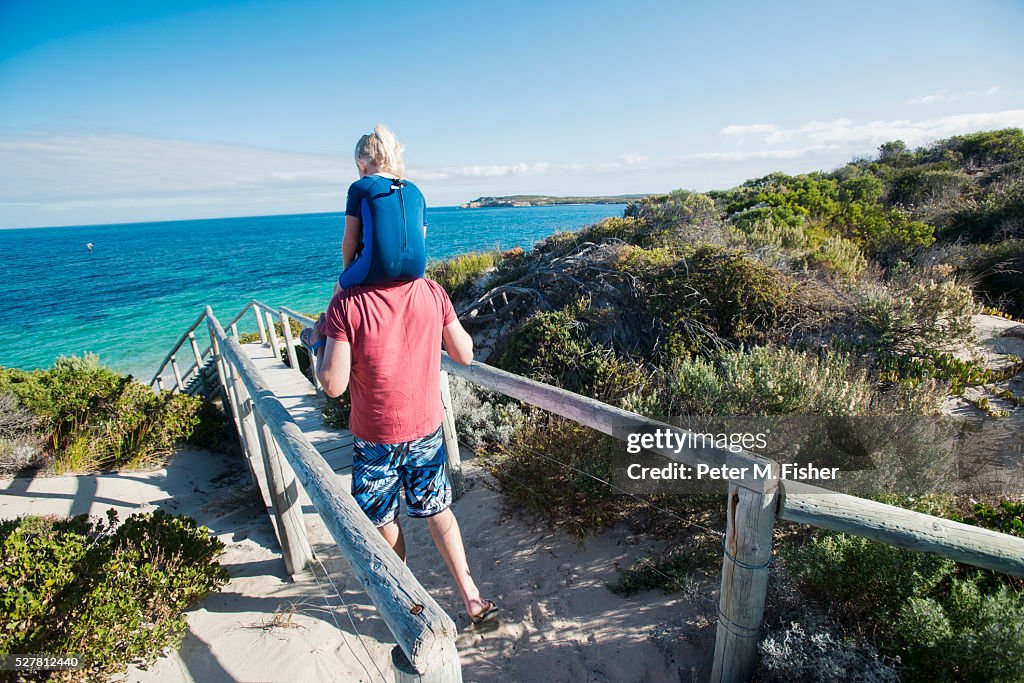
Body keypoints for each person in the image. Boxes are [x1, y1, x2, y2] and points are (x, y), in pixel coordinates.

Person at [304, 274, 498, 626]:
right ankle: (471, 596)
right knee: (438, 511)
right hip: (425, 430)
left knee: (383, 520)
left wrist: (318, 343)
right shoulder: (430, 289)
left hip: (375, 437)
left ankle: (410, 603)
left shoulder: (346, 301)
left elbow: (333, 384)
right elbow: (464, 353)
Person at [334, 124, 427, 294]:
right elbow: (422, 236)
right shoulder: (415, 190)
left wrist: (347, 272)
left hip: (378, 268)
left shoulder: (360, 187)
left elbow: (350, 240)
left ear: (362, 164)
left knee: (338, 289)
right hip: (417, 269)